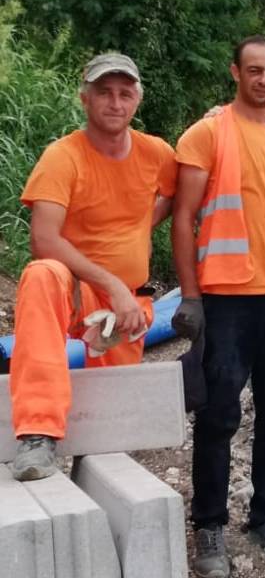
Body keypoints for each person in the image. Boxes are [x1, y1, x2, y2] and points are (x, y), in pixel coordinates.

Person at [172, 35, 265, 578]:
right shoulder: (208, 133)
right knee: (218, 414)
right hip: (228, 299)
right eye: (254, 70)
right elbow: (182, 218)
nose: (263, 80)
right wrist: (191, 296)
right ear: (235, 72)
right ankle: (209, 524)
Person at [10, 52, 177, 481]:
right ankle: (37, 432)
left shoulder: (156, 153)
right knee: (40, 274)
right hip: (75, 290)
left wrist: (141, 226)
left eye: (124, 94)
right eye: (104, 93)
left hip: (126, 306)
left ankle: (96, 481)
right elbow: (43, 239)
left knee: (111, 435)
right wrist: (110, 284)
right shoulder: (63, 156)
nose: (115, 103)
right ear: (85, 98)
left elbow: (182, 188)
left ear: (137, 100)